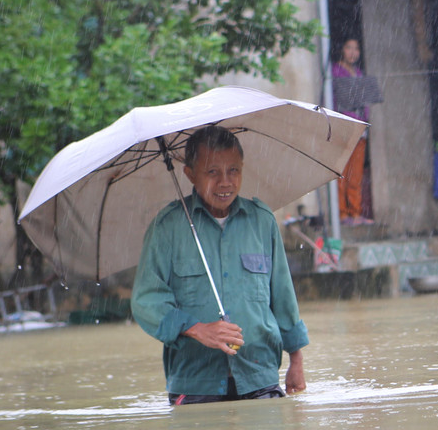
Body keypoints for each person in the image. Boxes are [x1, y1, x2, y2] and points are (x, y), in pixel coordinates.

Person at [132, 125, 308, 405]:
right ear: (190, 174)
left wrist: (296, 360)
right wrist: (197, 328)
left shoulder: (262, 221)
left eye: (233, 170)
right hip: (195, 383)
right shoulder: (168, 228)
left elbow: (283, 295)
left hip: (260, 377)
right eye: (212, 172)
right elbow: (146, 301)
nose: (225, 182)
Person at [331, 37, 371, 225]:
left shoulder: (360, 74)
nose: (353, 52)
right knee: (342, 172)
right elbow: (332, 99)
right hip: (343, 127)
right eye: (349, 48)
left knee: (356, 175)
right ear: (342, 50)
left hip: (359, 129)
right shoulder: (335, 72)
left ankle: (355, 213)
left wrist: (364, 121)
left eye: (356, 49)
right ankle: (342, 213)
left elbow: (366, 103)